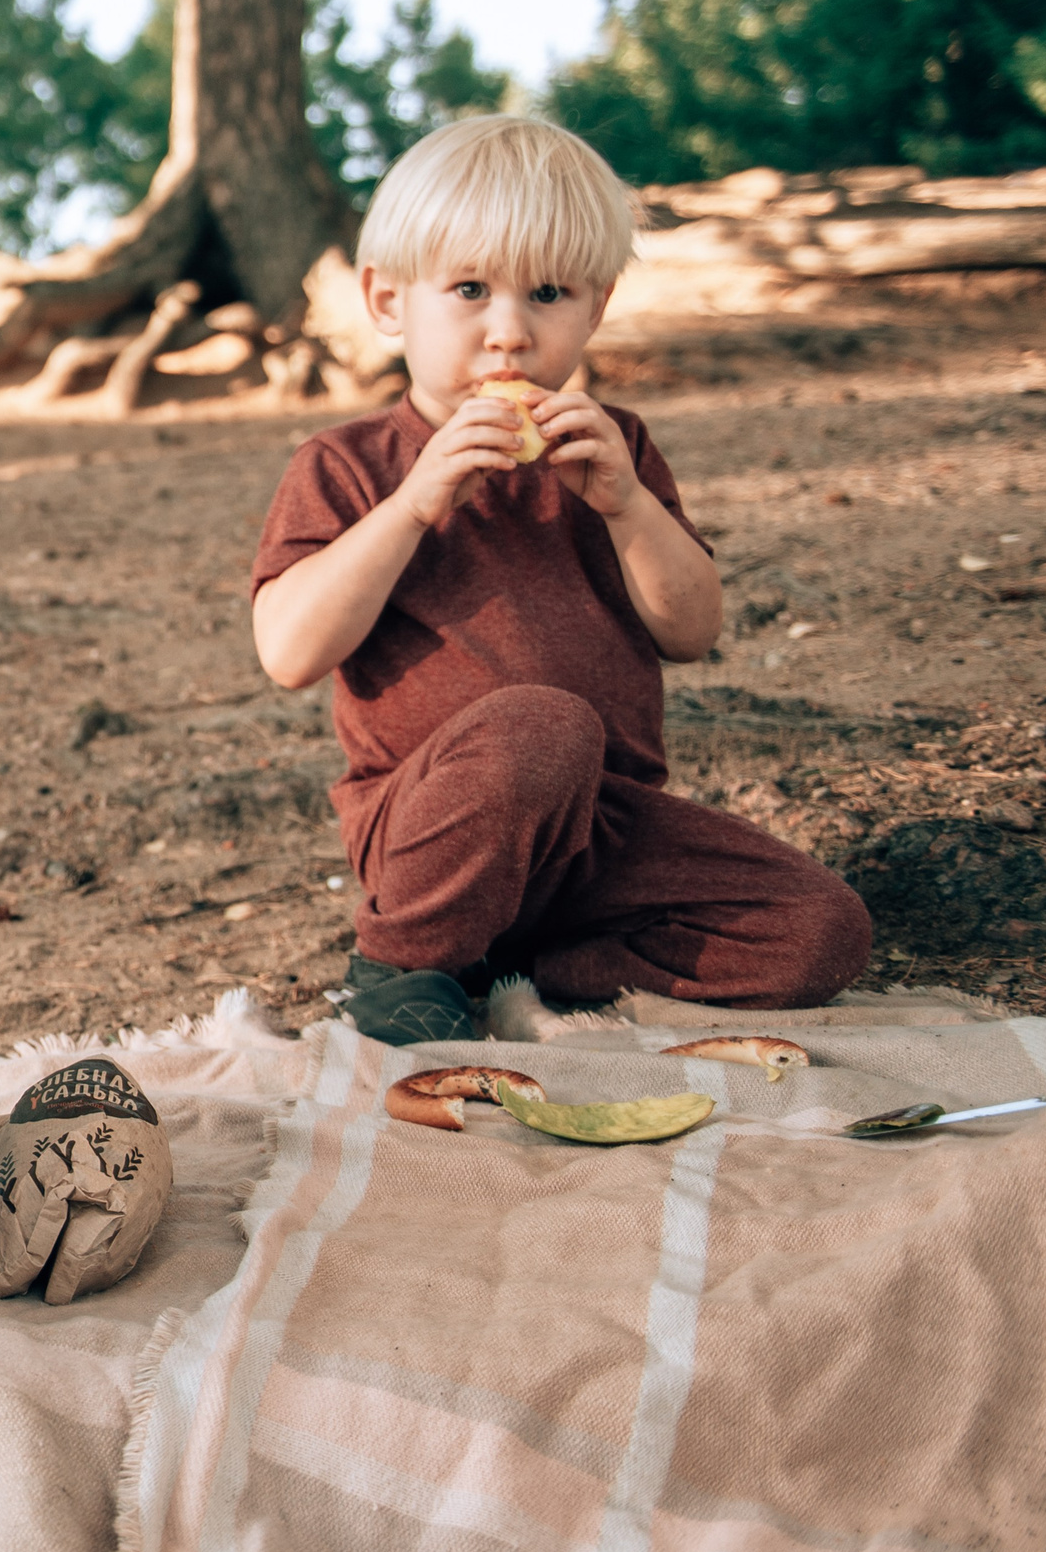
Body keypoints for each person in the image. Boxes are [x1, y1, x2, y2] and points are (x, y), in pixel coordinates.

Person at [250, 114, 869, 1045]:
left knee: (822, 929)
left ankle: (515, 973)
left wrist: (627, 505)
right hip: (432, 828)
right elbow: (290, 651)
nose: (509, 333)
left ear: (597, 307)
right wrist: (418, 501)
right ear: (388, 302)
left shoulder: (614, 450)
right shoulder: (351, 465)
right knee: (541, 724)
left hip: (606, 832)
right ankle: (400, 964)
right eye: (468, 289)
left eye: (547, 293)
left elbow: (691, 629)